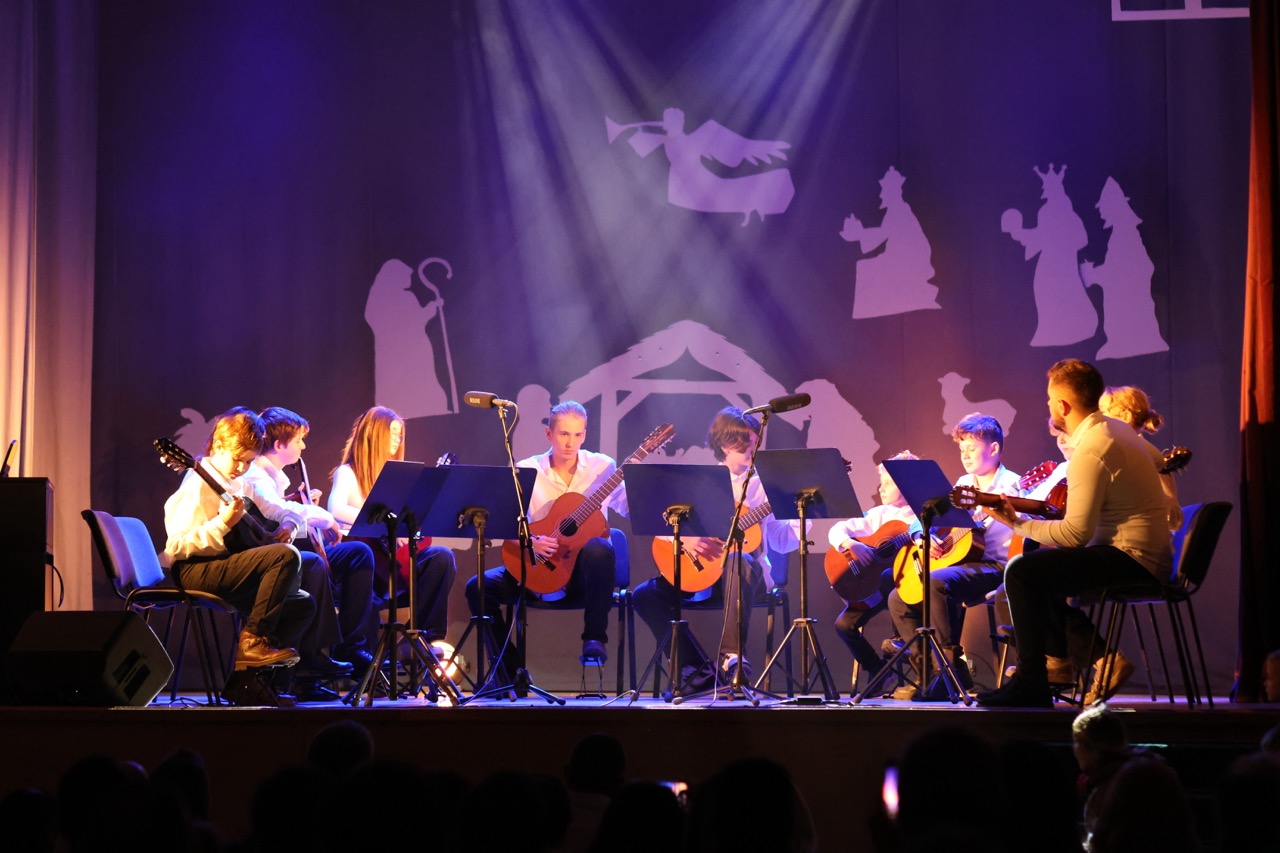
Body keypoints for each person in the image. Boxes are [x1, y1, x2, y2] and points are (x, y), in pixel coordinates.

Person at [979, 359, 1173, 708]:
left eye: (1049, 400)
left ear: (1063, 406)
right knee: (1042, 567)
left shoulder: (1092, 449)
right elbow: (1159, 459)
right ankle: (1066, 663)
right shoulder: (1117, 430)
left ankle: (1032, 682)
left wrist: (1015, 523)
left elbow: (1075, 535)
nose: (1049, 406)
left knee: (1022, 571)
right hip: (1147, 555)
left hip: (1132, 559)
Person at [632, 406, 799, 690]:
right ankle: (696, 669)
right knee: (644, 595)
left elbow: (783, 541)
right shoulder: (698, 481)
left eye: (755, 442)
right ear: (724, 444)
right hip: (701, 572)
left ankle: (731, 655)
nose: (752, 450)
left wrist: (798, 513)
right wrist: (684, 540)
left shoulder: (764, 486)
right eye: (745, 443)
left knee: (739, 558)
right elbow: (661, 524)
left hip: (746, 578)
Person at [160, 407, 313, 706]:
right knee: (284, 557)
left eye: (249, 461)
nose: (242, 468)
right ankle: (252, 641)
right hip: (194, 570)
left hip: (222, 567)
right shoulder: (197, 483)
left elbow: (279, 509)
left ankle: (247, 684)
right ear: (218, 446)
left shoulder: (239, 484)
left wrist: (289, 524)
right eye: (237, 459)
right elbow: (176, 548)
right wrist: (222, 524)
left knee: (302, 605)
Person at [464, 400, 624, 675]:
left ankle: (594, 640)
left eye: (577, 434)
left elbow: (634, 507)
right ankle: (508, 668)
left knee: (600, 548)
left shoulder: (602, 467)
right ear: (549, 434)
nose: (570, 442)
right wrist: (530, 543)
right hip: (537, 570)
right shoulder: (527, 469)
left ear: (584, 435)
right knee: (477, 588)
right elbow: (499, 521)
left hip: (583, 578)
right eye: (564, 433)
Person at [243, 406, 377, 698]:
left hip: (282, 554)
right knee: (313, 564)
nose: (303, 446)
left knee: (358, 553)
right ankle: (311, 657)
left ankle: (349, 643)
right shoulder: (255, 474)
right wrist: (323, 517)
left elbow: (279, 511)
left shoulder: (274, 478)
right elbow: (275, 511)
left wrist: (300, 502)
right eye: (299, 440)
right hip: (266, 563)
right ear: (280, 444)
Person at [885, 412, 1020, 698]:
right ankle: (928, 673)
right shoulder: (962, 483)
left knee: (936, 582)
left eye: (971, 447)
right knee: (898, 598)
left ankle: (949, 669)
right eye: (961, 449)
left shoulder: (1013, 486)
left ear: (994, 448)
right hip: (962, 564)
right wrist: (924, 537)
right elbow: (920, 518)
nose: (965, 455)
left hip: (996, 566)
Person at [327, 406, 457, 653]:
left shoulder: (399, 479)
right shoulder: (349, 473)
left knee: (441, 557)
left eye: (400, 434)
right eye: (393, 433)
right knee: (364, 573)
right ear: (373, 433)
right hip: (367, 571)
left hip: (395, 567)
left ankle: (423, 639)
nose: (398, 440)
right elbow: (335, 509)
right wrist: (386, 525)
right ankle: (364, 656)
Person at [824, 451, 920, 682]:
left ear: (905, 484)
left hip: (908, 593)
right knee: (843, 626)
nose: (881, 488)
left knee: (889, 575)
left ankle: (907, 650)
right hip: (874, 589)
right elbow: (837, 529)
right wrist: (851, 544)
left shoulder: (920, 517)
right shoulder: (880, 514)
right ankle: (878, 671)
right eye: (881, 482)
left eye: (887, 483)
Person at [1099, 385, 1183, 532]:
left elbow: (1174, 521)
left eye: (1102, 413)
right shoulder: (1109, 454)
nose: (1096, 420)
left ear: (1125, 417)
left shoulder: (1148, 457)